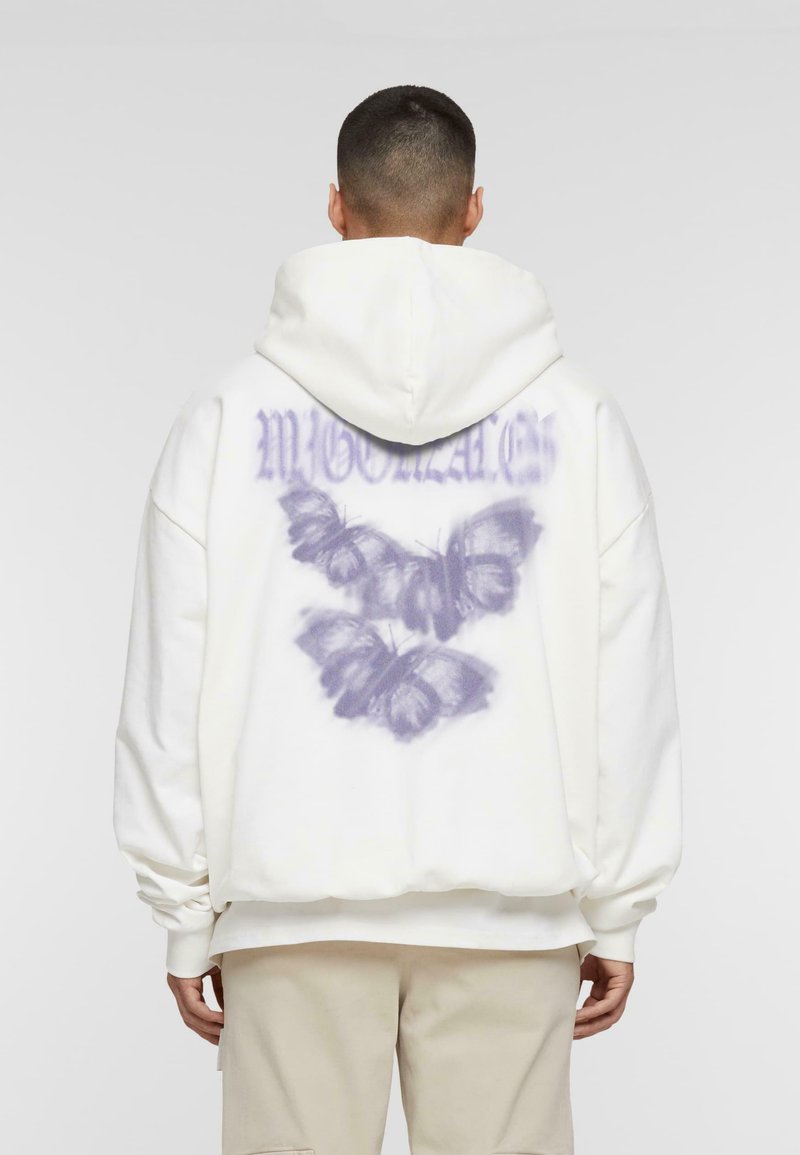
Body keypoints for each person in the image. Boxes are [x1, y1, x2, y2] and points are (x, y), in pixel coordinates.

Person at [113, 85, 682, 1155]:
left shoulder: (228, 416)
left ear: (336, 207)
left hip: (293, 908)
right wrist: (617, 905)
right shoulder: (580, 420)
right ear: (474, 210)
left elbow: (168, 676)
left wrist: (185, 912)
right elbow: (630, 679)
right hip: (511, 912)